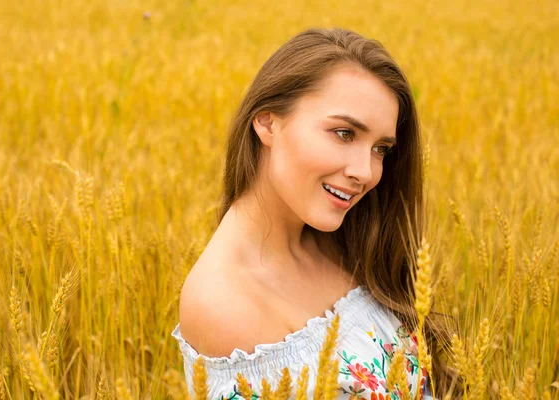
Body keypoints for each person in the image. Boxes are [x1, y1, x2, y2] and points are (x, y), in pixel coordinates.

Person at [171, 27, 457, 399]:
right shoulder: (225, 304)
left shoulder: (345, 238)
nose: (366, 172)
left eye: (381, 149)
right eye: (344, 133)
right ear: (267, 122)